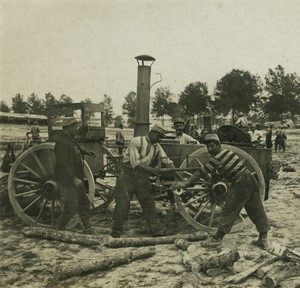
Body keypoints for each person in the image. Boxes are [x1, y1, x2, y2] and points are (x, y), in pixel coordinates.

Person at [177, 134, 270, 249]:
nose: (210, 149)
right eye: (208, 147)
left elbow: (202, 172)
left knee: (229, 209)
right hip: (250, 179)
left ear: (218, 145)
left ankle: (217, 239)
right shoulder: (227, 153)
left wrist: (186, 182)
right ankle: (263, 239)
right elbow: (225, 171)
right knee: (256, 209)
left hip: (240, 182)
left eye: (212, 146)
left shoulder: (219, 157)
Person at [111, 124, 179, 238]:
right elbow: (135, 163)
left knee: (149, 203)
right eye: (159, 136)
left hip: (142, 177)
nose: (160, 139)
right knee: (123, 204)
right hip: (128, 175)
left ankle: (157, 231)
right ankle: (116, 231)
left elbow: (166, 160)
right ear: (153, 133)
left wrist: (176, 171)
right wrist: (153, 170)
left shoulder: (157, 146)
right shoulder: (136, 141)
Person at [54, 117, 96, 234]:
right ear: (69, 128)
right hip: (68, 180)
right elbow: (62, 164)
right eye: (75, 126)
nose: (77, 129)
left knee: (84, 203)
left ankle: (87, 228)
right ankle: (60, 227)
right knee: (71, 207)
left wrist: (85, 152)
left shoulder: (69, 139)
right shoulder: (61, 143)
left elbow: (75, 148)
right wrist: (74, 179)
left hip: (76, 177)